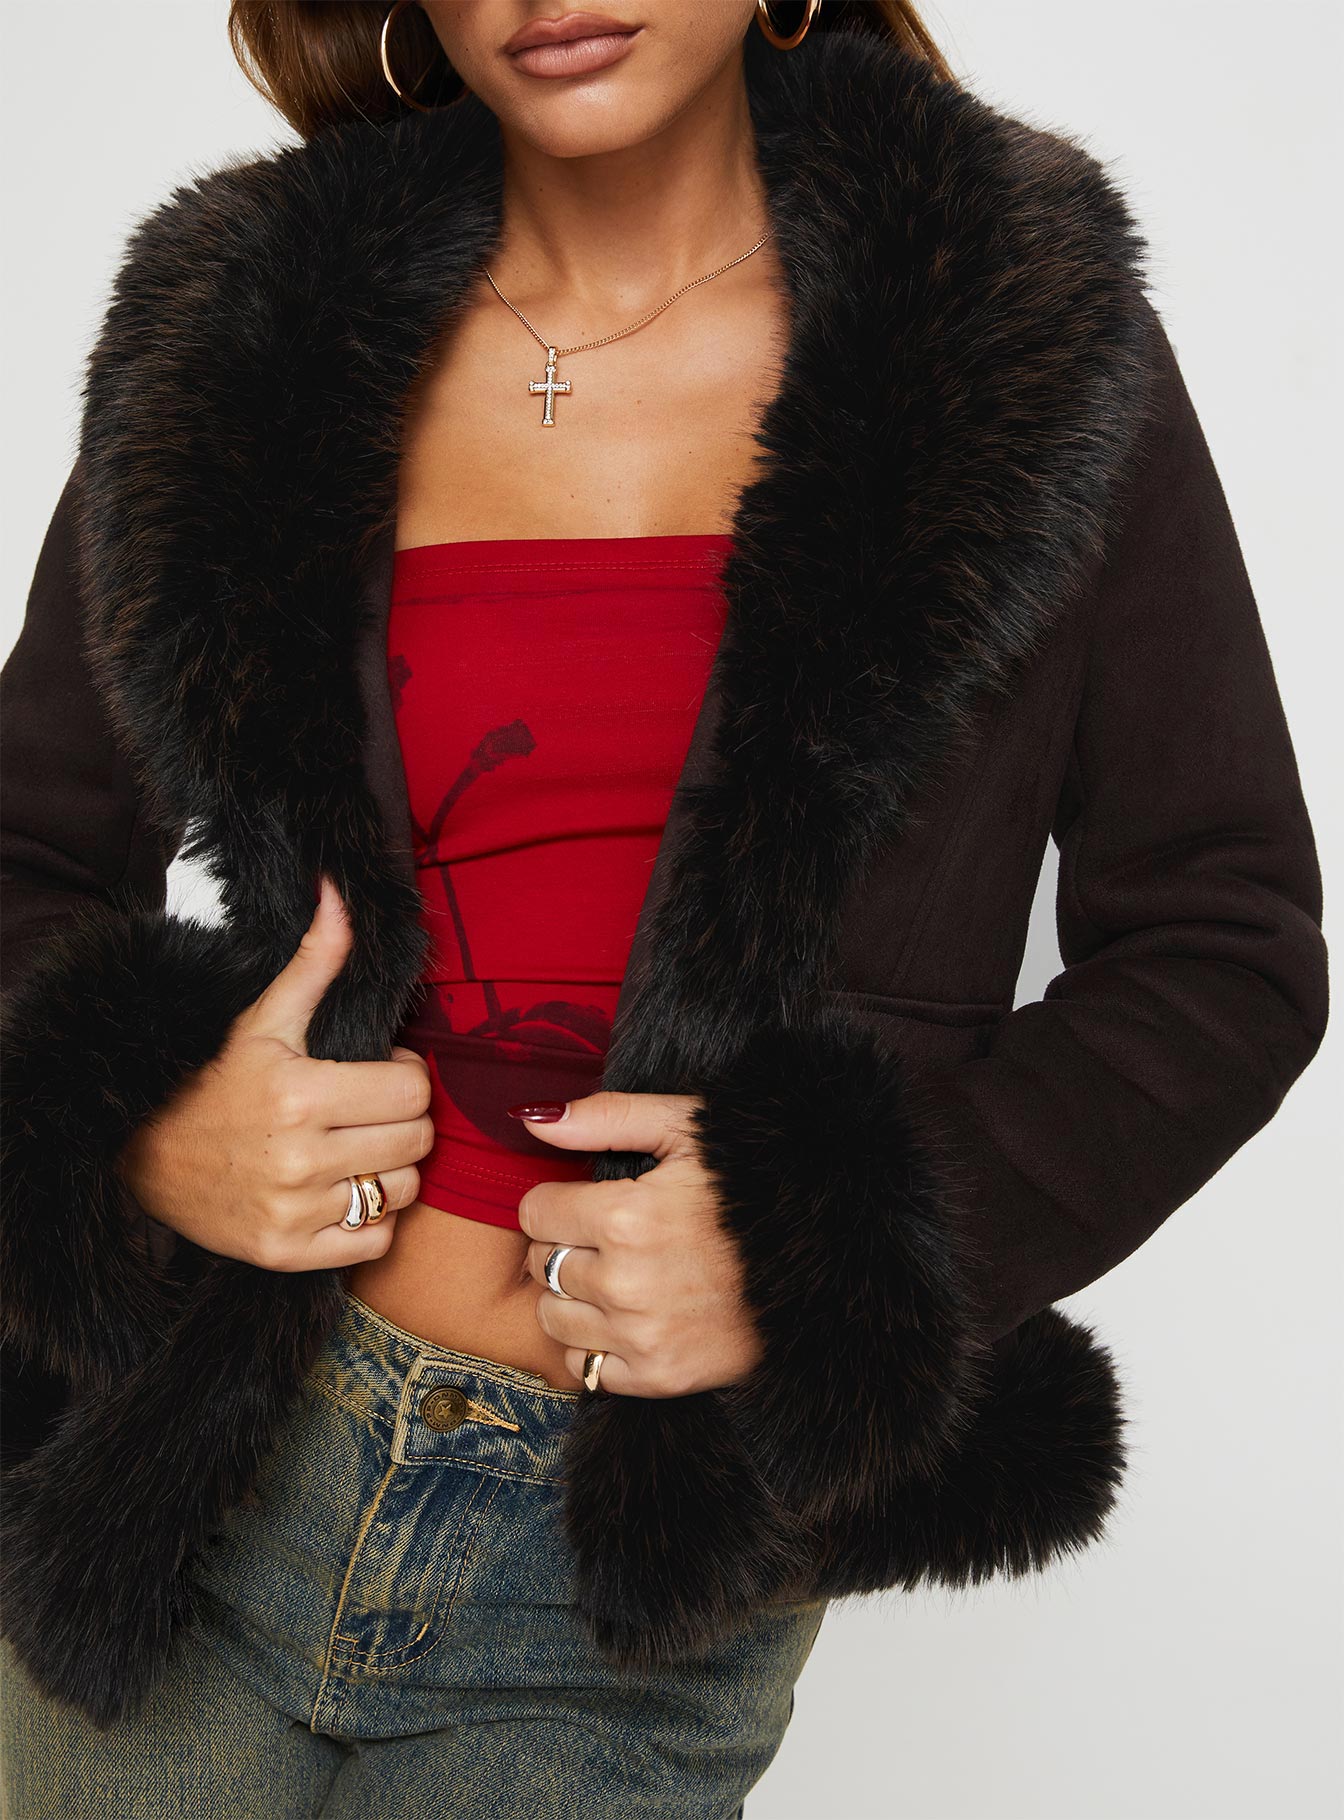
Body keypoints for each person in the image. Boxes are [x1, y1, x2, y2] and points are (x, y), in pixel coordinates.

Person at [0, 2, 1327, 1815]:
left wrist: (830, 1252)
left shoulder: (1006, 330)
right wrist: (148, 1130)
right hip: (190, 1484)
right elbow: (26, 856)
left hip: (632, 1586)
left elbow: (1224, 943)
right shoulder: (246, 319)